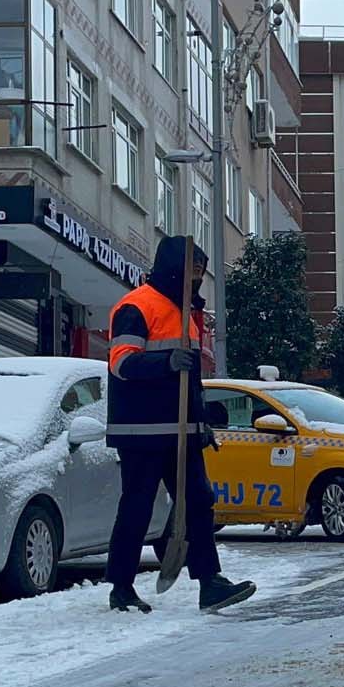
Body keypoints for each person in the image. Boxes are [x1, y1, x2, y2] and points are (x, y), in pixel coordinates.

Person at [104, 236, 256, 614]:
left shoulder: (185, 310)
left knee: (199, 502)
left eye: (201, 275)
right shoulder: (136, 306)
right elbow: (121, 363)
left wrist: (200, 421)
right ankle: (120, 586)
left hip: (181, 429)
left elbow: (190, 383)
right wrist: (167, 361)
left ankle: (210, 582)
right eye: (193, 273)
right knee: (137, 507)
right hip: (142, 430)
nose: (196, 281)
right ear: (174, 269)